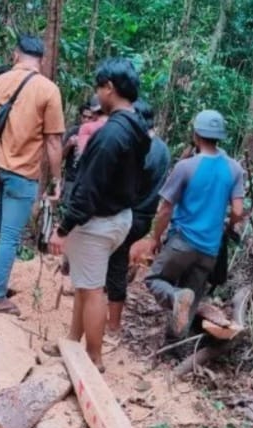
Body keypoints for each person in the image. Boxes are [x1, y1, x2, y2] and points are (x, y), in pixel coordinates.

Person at [47, 57, 151, 371]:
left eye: (99, 89)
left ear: (110, 88)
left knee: (92, 290)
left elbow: (88, 189)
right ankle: (72, 342)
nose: (97, 96)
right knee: (85, 283)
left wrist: (63, 229)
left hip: (98, 221)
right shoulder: (137, 128)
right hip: (119, 216)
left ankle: (94, 357)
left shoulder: (110, 136)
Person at [143, 110, 245, 339]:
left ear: (196, 134)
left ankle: (176, 297)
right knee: (193, 295)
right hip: (210, 248)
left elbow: (166, 209)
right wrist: (228, 226)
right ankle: (175, 347)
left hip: (182, 241)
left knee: (154, 279)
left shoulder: (186, 167)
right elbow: (238, 212)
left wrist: (155, 238)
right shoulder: (234, 169)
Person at [0, 34, 65, 314]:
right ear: (41, 59)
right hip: (22, 174)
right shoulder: (48, 90)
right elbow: (54, 142)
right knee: (7, 237)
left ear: (16, 54)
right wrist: (56, 179)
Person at [105, 99, 171, 338]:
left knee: (115, 266)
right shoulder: (163, 148)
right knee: (116, 262)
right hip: (145, 215)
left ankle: (113, 324)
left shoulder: (141, 148)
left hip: (129, 213)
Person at [61, 102, 95, 201]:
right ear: (80, 117)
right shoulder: (73, 132)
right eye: (84, 117)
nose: (86, 120)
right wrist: (68, 144)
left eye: (90, 118)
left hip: (87, 181)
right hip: (71, 179)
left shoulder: (98, 134)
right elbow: (60, 157)